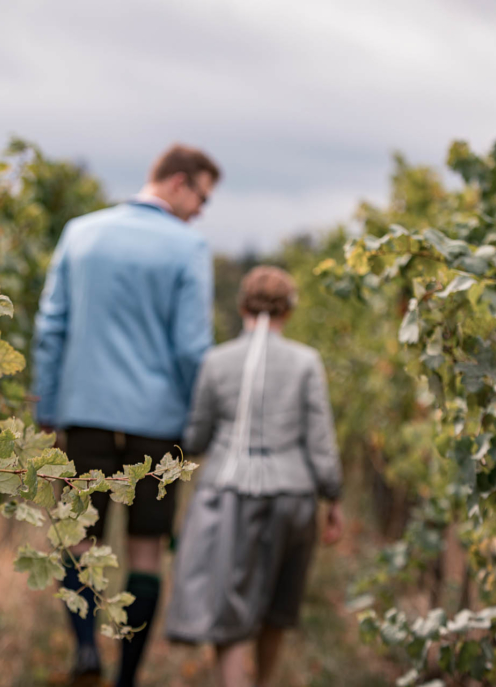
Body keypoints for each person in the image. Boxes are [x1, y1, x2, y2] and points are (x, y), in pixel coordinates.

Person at [32, 144, 220, 687]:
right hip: (158, 423)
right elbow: (191, 349)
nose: (202, 210)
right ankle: (126, 677)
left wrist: (47, 403)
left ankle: (87, 649)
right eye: (202, 196)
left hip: (84, 412)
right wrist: (197, 419)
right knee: (145, 547)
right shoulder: (188, 247)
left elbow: (51, 327)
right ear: (180, 183)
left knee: (81, 536)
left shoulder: (81, 232)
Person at [165, 266, 345, 687]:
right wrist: (333, 497)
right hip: (294, 496)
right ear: (290, 311)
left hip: (229, 495)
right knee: (276, 607)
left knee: (230, 608)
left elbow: (195, 436)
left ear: (242, 305)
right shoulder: (306, 363)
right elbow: (320, 439)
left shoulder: (217, 361)